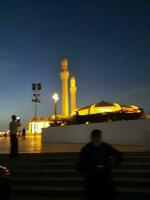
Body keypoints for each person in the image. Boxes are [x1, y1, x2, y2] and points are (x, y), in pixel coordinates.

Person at [77, 129, 123, 200]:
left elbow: (118, 155)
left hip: (103, 177)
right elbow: (80, 164)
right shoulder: (88, 148)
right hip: (93, 178)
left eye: (98, 137)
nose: (97, 139)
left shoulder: (103, 147)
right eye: (96, 137)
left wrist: (111, 166)